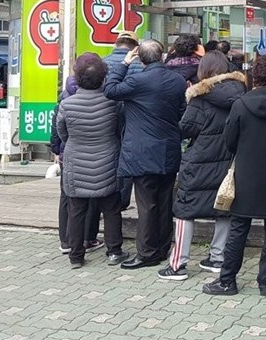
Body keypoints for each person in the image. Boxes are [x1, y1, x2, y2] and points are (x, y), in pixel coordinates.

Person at [158, 51, 247, 280]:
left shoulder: (200, 97)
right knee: (224, 207)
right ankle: (218, 258)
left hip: (199, 161)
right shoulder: (240, 94)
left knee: (185, 210)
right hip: (228, 161)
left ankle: (177, 265)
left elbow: (187, 128)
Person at [104, 40, 187, 270]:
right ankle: (162, 248)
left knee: (147, 204)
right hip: (169, 147)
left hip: (142, 151)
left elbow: (110, 90)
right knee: (165, 201)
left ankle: (147, 253)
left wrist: (123, 63)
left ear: (140, 59)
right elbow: (182, 111)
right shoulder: (177, 80)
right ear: (162, 56)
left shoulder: (137, 81)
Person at [204, 51, 266, 297]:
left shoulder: (241, 103)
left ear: (254, 75)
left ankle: (227, 281)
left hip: (246, 173)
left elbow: (230, 140)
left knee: (238, 227)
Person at [56, 53, 128, 268]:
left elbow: (62, 133)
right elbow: (120, 129)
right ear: (103, 77)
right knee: (111, 208)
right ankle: (114, 251)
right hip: (108, 160)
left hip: (76, 161)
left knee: (76, 210)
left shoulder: (67, 104)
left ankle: (76, 256)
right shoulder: (113, 103)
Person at [51, 75, 102, 255]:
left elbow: (57, 131)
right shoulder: (99, 101)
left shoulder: (62, 103)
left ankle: (66, 242)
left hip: (68, 155)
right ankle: (88, 238)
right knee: (91, 198)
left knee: (67, 198)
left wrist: (58, 150)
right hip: (94, 156)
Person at [103, 31, 143, 210]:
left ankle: (107, 197)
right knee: (127, 157)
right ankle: (123, 200)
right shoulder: (140, 65)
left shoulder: (103, 63)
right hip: (132, 116)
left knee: (108, 155)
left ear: (116, 44)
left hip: (106, 115)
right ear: (136, 47)